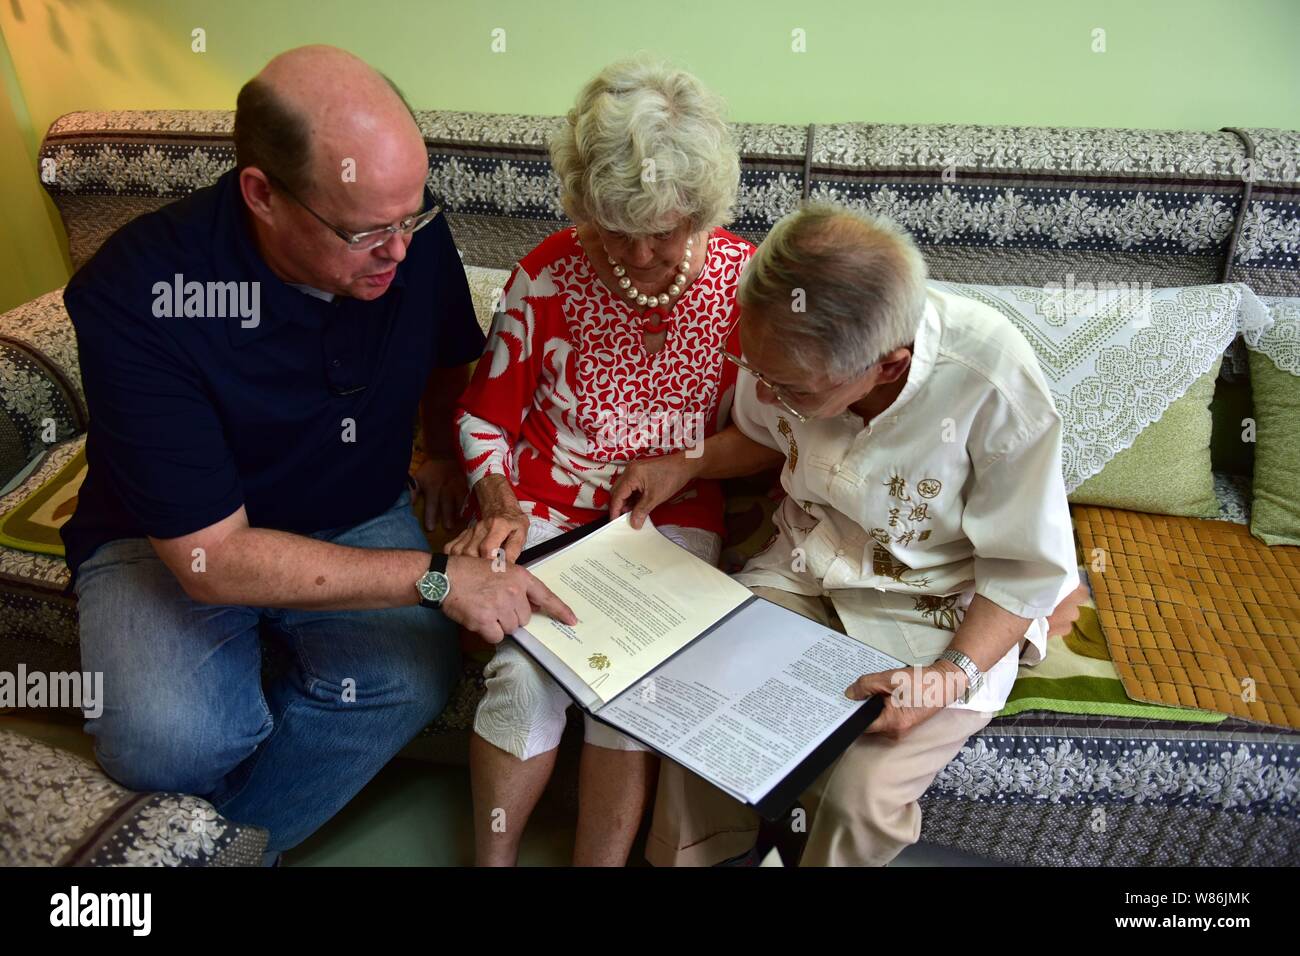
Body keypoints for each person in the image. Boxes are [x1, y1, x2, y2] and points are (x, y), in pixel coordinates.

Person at [61, 45, 574, 860]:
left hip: (352, 509)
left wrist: (443, 455)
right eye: (367, 231)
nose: (399, 253)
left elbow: (448, 359)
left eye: (412, 218)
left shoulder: (407, 236)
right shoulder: (139, 291)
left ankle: (219, 855)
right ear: (262, 194)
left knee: (405, 682)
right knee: (169, 743)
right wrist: (438, 577)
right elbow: (214, 558)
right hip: (175, 541)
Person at [609, 203, 1088, 866]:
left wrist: (946, 678)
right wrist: (685, 460)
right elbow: (762, 433)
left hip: (939, 608)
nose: (767, 394)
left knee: (857, 793)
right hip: (806, 566)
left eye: (791, 388)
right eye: (756, 370)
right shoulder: (783, 348)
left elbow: (1024, 571)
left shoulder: (989, 378)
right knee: (699, 713)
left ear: (888, 367)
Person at [450, 56, 753, 866]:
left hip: (668, 520)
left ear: (704, 204)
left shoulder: (745, 286)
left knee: (630, 685)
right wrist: (497, 503)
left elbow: (777, 435)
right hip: (543, 510)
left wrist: (687, 461)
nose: (647, 250)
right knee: (523, 673)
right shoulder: (548, 273)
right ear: (586, 205)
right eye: (621, 227)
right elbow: (483, 420)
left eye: (669, 225)